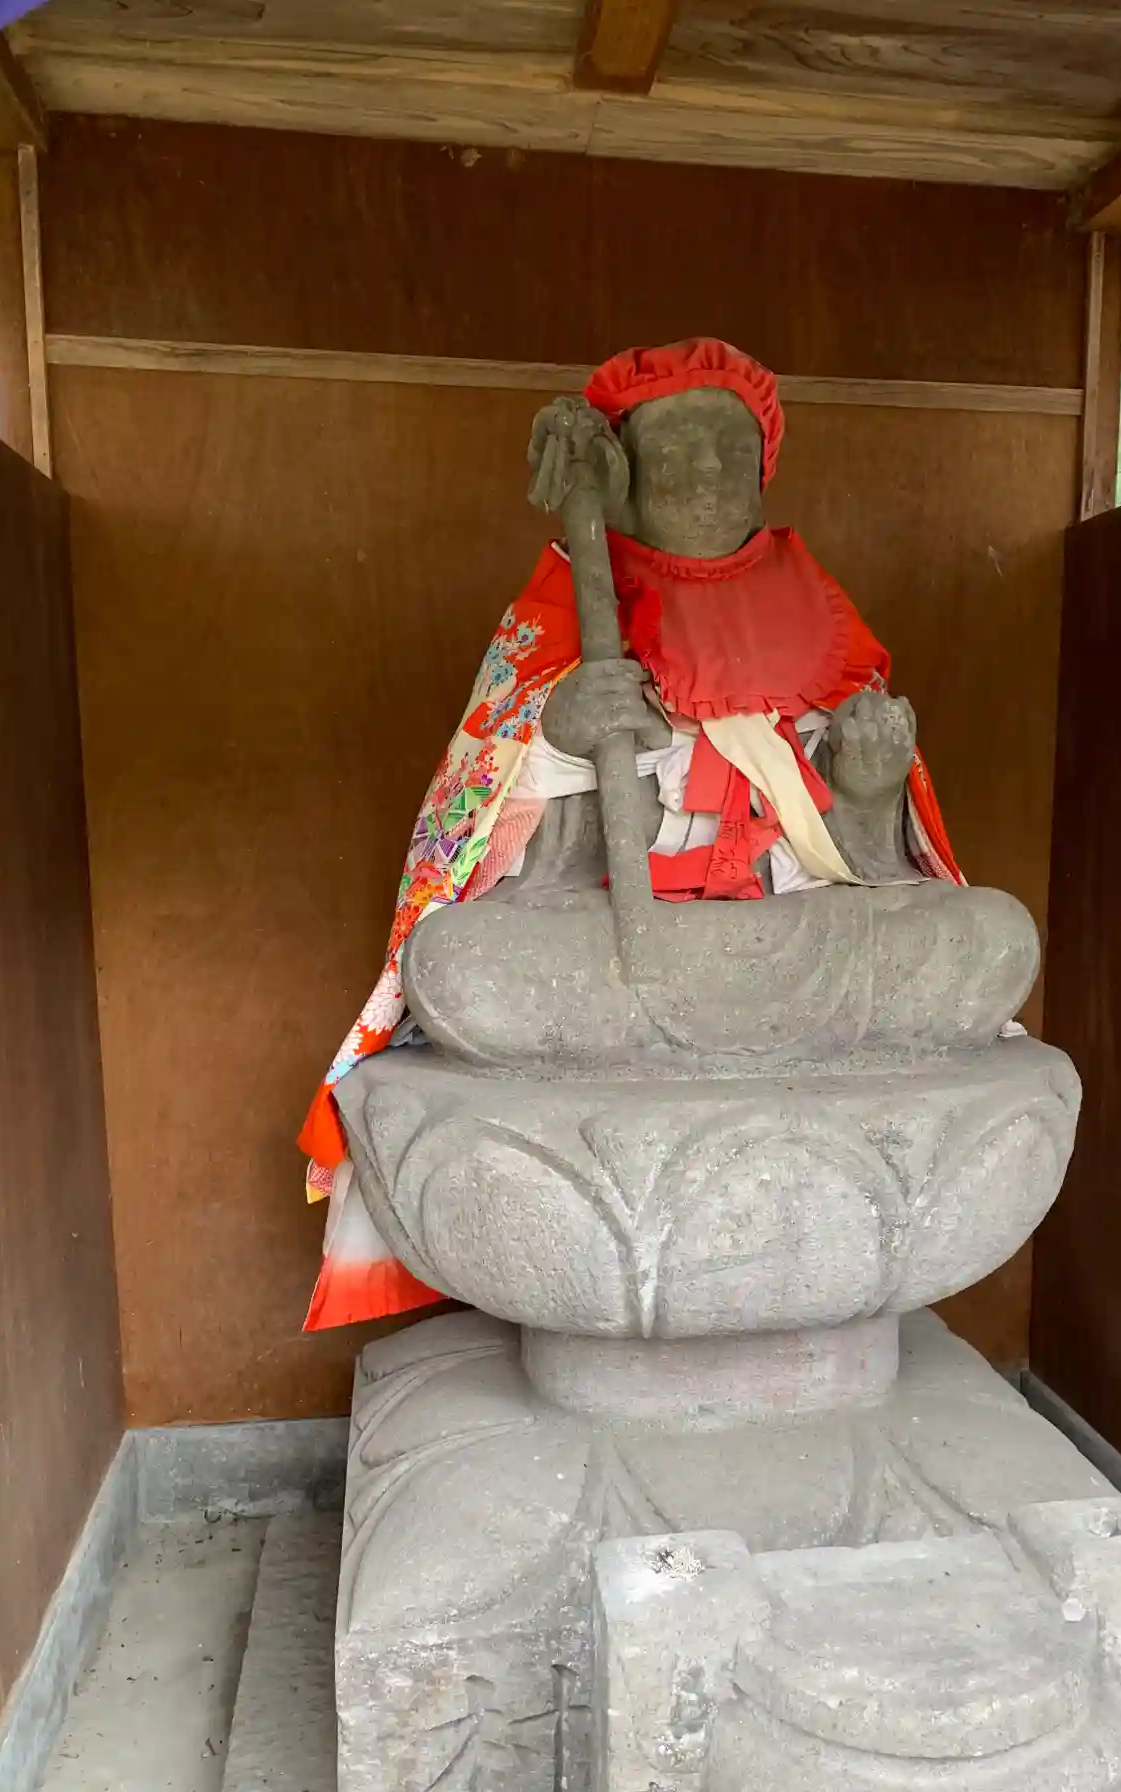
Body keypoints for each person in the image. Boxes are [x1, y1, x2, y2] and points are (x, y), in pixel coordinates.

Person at [298, 338, 961, 1330]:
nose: (705, 475)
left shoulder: (822, 618)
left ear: (765, 472)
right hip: (608, 946)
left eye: (728, 453)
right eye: (675, 455)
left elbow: (873, 861)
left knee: (985, 940)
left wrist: (867, 791)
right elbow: (481, 817)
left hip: (790, 938)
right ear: (625, 477)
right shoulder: (572, 605)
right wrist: (554, 734)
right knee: (459, 965)